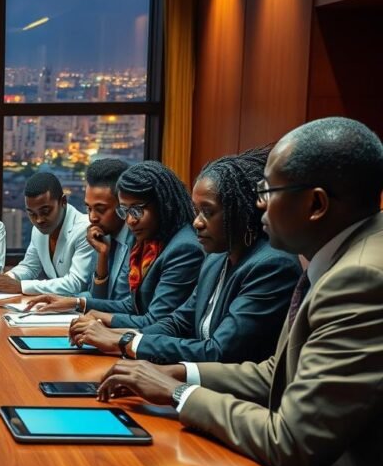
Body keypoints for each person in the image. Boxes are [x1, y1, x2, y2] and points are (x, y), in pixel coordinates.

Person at [96, 117, 383, 466]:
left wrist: (178, 393)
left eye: (267, 190)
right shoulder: (339, 257)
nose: (257, 203)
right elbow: (277, 372)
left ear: (316, 205)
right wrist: (182, 372)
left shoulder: (360, 278)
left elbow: (291, 441)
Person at [70, 148, 302, 363]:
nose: (197, 222)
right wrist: (117, 337)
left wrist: (124, 341)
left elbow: (219, 351)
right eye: (196, 211)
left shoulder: (272, 265)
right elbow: (177, 322)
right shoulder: (215, 259)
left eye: (207, 212)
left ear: (241, 211)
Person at [27, 161, 203, 329]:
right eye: (125, 211)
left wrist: (96, 317)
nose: (130, 220)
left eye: (137, 210)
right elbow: (131, 304)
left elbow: (156, 322)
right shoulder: (144, 239)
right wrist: (77, 303)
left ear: (163, 205)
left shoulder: (182, 248)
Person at [0, 171, 93, 295]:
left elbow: (76, 283)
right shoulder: (39, 229)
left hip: (87, 309)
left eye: (45, 211)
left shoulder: (84, 229)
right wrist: (5, 279)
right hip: (57, 307)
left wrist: (20, 286)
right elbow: (29, 267)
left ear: (63, 201)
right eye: (31, 213)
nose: (39, 220)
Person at [79, 159, 133, 301]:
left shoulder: (138, 239)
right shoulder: (102, 235)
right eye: (88, 208)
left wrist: (75, 302)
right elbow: (96, 298)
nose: (92, 218)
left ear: (123, 204)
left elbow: (123, 304)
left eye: (100, 209)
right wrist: (102, 256)